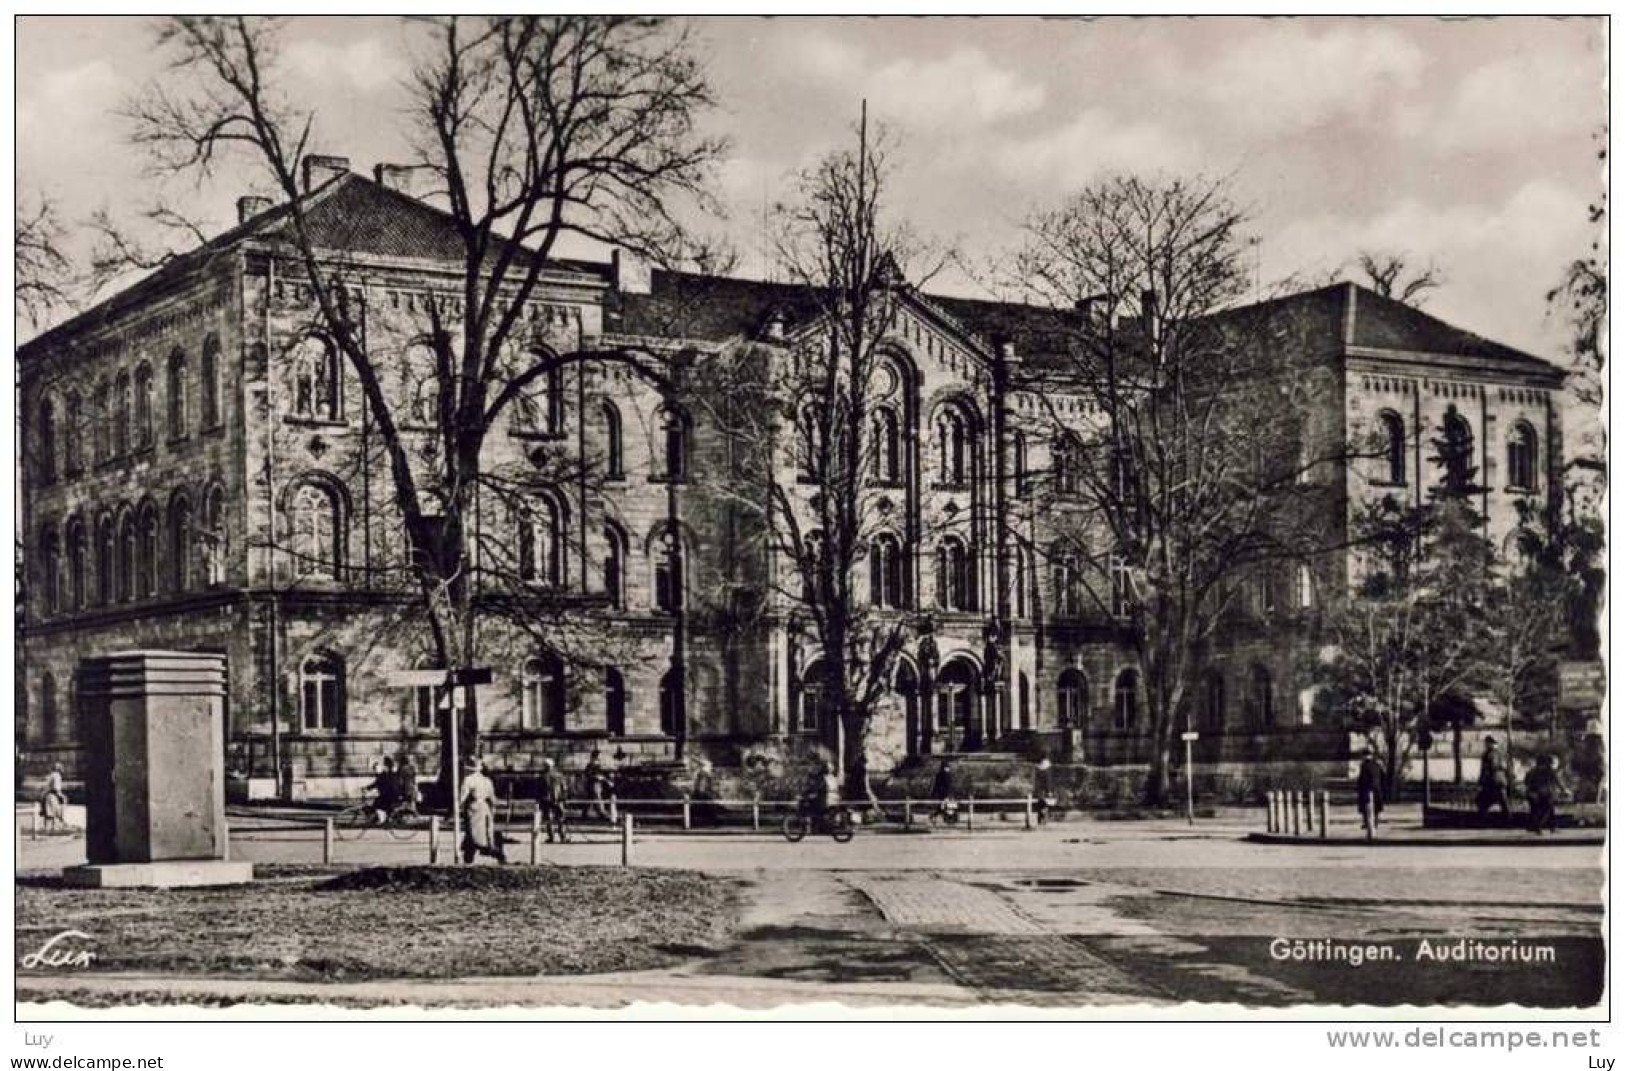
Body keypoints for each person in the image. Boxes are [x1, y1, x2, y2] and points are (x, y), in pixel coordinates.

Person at [460, 759, 507, 864]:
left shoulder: (468, 780)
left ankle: (472, 855)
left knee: (473, 834)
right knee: (485, 833)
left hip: (473, 809)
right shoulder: (487, 781)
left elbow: (462, 797)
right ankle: (493, 851)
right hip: (485, 809)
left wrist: (456, 805)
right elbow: (493, 799)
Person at [1524, 754, 1567, 835]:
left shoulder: (1533, 771)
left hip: (1537, 794)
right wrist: (1563, 790)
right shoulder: (1549, 771)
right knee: (1545, 810)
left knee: (1545, 810)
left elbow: (1526, 782)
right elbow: (1558, 782)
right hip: (1541, 794)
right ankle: (1538, 827)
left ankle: (1551, 827)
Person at [1477, 735, 1511, 818]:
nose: (1485, 744)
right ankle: (1507, 817)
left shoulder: (1489, 754)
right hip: (1500, 780)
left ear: (1490, 743)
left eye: (1486, 742)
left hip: (1493, 780)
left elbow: (1488, 767)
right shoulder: (1502, 753)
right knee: (1501, 800)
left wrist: (1482, 780)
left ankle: (1483, 817)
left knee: (1483, 800)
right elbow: (1507, 767)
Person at [537, 757, 570, 843]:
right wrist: (564, 798)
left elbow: (539, 790)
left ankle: (551, 837)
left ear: (545, 766)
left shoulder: (542, 777)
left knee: (548, 819)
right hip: (558, 799)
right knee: (560, 818)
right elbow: (564, 788)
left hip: (546, 800)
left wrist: (538, 800)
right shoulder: (559, 775)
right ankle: (563, 837)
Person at [1355, 748, 1385, 839]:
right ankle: (1375, 823)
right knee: (1375, 809)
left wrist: (1359, 787)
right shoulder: (1377, 765)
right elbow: (1383, 777)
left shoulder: (1364, 766)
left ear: (1364, 756)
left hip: (1367, 790)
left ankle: (1368, 824)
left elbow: (1362, 779)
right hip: (1377, 790)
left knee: (1366, 808)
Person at [582, 749, 612, 822]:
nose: (599, 759)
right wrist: (599, 777)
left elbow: (600, 775)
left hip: (596, 784)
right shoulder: (590, 765)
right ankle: (601, 813)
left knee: (590, 799)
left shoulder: (596, 765)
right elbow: (589, 775)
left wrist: (605, 780)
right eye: (598, 757)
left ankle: (585, 814)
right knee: (596, 798)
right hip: (593, 784)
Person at [368, 757, 399, 824]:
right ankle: (385, 818)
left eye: (383, 764)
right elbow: (377, 783)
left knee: (377, 804)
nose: (382, 766)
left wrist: (367, 788)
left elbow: (377, 783)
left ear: (386, 765)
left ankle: (382, 820)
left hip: (389, 795)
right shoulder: (390, 773)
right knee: (378, 804)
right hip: (390, 794)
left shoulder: (386, 774)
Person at [39, 763, 67, 834]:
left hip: (47, 795)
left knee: (49, 814)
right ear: (59, 769)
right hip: (53, 796)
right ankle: (54, 828)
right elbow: (56, 788)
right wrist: (62, 796)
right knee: (54, 813)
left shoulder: (50, 775)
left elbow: (46, 787)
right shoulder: (57, 776)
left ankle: (47, 829)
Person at [931, 759, 959, 823]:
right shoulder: (945, 775)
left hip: (945, 794)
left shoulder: (943, 775)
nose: (947, 769)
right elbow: (948, 786)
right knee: (945, 806)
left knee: (944, 806)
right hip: (945, 794)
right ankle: (937, 816)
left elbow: (937, 786)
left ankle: (935, 816)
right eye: (946, 767)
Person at [1033, 756, 1054, 825]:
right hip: (1044, 791)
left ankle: (1040, 819)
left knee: (1040, 804)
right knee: (1045, 805)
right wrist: (1049, 791)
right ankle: (1044, 819)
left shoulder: (1038, 771)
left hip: (1039, 791)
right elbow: (1048, 782)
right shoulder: (1047, 772)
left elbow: (1036, 782)